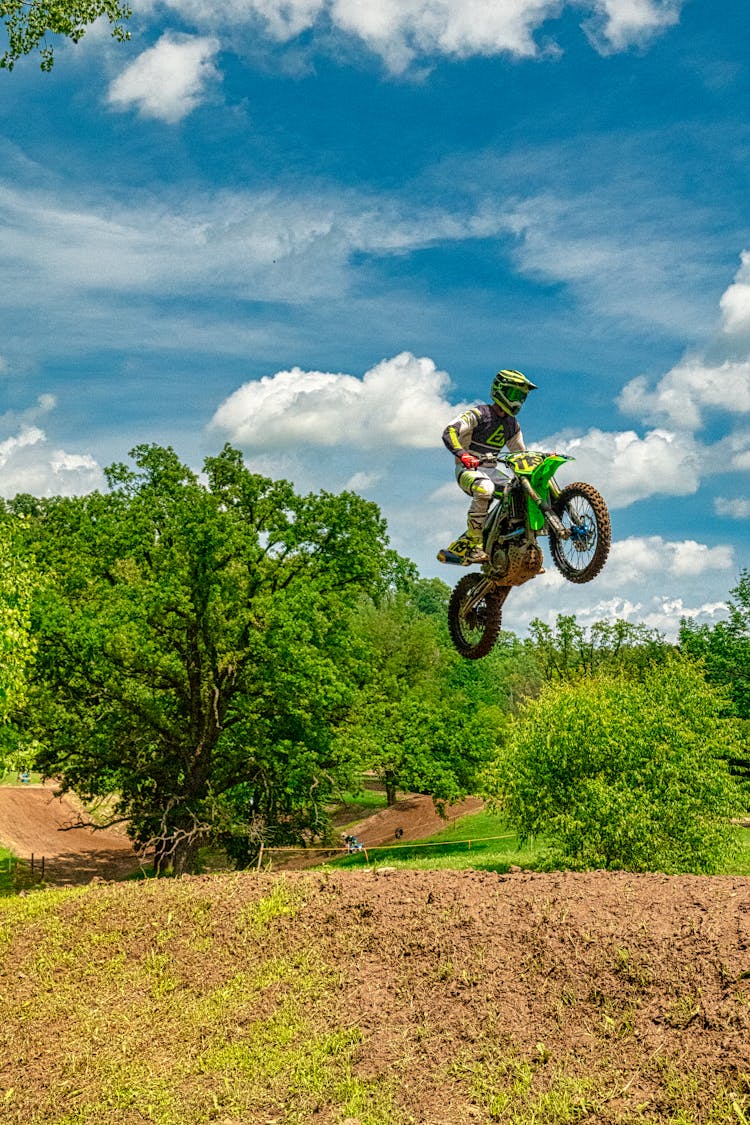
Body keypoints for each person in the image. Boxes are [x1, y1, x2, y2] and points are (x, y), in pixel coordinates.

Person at [438, 369, 537, 565]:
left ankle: (523, 549)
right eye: (514, 395)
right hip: (468, 470)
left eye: (521, 397)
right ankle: (474, 545)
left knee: (521, 491)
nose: (517, 401)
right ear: (500, 390)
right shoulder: (479, 414)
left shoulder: (512, 424)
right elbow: (450, 431)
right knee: (485, 489)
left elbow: (520, 453)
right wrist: (463, 454)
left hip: (492, 471)